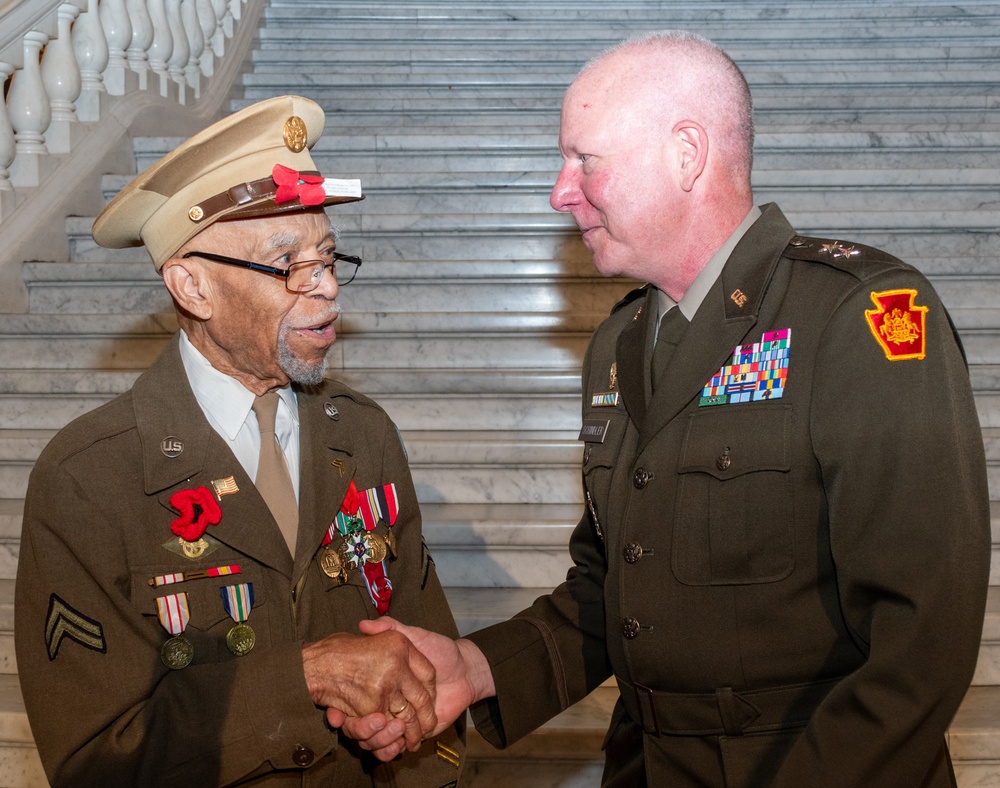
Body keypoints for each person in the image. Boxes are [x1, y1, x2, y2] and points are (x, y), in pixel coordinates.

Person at [339, 31, 992, 787]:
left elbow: (920, 642)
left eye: (586, 159)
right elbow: (610, 585)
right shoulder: (619, 342)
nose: (560, 190)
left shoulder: (855, 317)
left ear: (686, 154)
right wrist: (479, 667)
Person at [15, 95, 464, 787]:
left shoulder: (364, 434)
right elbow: (94, 761)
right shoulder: (88, 479)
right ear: (192, 287)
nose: (328, 292)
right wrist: (303, 678)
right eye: (288, 265)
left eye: (328, 257)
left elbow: (428, 671)